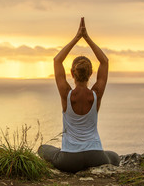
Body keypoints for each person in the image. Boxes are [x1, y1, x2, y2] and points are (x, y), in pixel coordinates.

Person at [38, 17, 120, 173]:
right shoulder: (96, 94)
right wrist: (87, 38)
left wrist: (77, 38)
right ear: (91, 73)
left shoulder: (66, 95)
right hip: (95, 156)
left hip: (70, 159)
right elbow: (104, 62)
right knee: (114, 157)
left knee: (42, 149)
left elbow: (57, 61)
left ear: (72, 73)